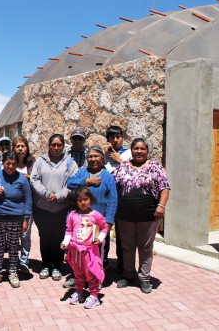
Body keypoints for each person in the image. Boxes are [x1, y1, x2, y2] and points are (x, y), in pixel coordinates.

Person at [112, 138, 170, 294]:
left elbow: (165, 187)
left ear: (147, 151)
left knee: (145, 248)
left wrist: (161, 206)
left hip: (148, 216)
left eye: (142, 149)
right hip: (124, 216)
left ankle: (144, 278)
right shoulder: (123, 166)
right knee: (127, 247)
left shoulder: (155, 167)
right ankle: (128, 275)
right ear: (131, 151)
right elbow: (112, 184)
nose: (139, 151)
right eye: (136, 149)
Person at [65, 146, 117, 287]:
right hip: (80, 222)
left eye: (96, 156)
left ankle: (95, 278)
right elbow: (69, 183)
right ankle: (77, 276)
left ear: (102, 158)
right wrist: (87, 182)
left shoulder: (107, 176)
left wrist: (109, 220)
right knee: (78, 251)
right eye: (90, 156)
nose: (93, 159)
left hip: (98, 223)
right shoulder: (82, 173)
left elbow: (113, 199)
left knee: (97, 253)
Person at [30, 134, 78, 281]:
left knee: (58, 236)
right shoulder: (40, 161)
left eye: (59, 145)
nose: (56, 148)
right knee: (44, 236)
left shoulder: (70, 163)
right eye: (53, 145)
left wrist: (58, 197)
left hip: (61, 208)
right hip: (42, 208)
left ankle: (57, 266)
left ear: (63, 146)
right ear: (49, 146)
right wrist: (46, 194)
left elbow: (73, 182)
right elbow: (34, 179)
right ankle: (46, 265)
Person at [0, 151, 32, 288]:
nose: (11, 166)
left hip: (16, 218)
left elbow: (28, 200)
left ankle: (13, 272)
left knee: (14, 247)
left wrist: (26, 219)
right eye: (8, 163)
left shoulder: (22, 179)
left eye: (14, 164)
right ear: (3, 163)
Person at [61, 186, 108, 309]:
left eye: (85, 199)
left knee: (91, 273)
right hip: (76, 251)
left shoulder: (96, 215)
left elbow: (104, 227)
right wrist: (65, 243)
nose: (83, 202)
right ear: (76, 201)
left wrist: (100, 238)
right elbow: (69, 230)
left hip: (90, 251)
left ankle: (94, 295)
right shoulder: (72, 215)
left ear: (90, 200)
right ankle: (79, 292)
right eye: (80, 200)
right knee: (78, 273)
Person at [102, 125, 132, 274]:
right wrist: (103, 154)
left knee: (122, 234)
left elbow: (134, 173)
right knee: (104, 231)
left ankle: (122, 264)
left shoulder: (128, 154)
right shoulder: (104, 154)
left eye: (118, 137)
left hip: (122, 199)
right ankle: (103, 259)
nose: (115, 140)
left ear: (122, 138)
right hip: (106, 200)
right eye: (112, 137)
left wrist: (120, 160)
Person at [12, 136, 35, 274]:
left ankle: (24, 260)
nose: (20, 149)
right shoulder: (9, 162)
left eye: (23, 146)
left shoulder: (33, 163)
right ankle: (14, 260)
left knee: (25, 234)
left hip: (27, 205)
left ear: (27, 148)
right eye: (17, 146)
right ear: (13, 149)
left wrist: (30, 179)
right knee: (13, 235)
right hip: (12, 205)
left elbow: (38, 180)